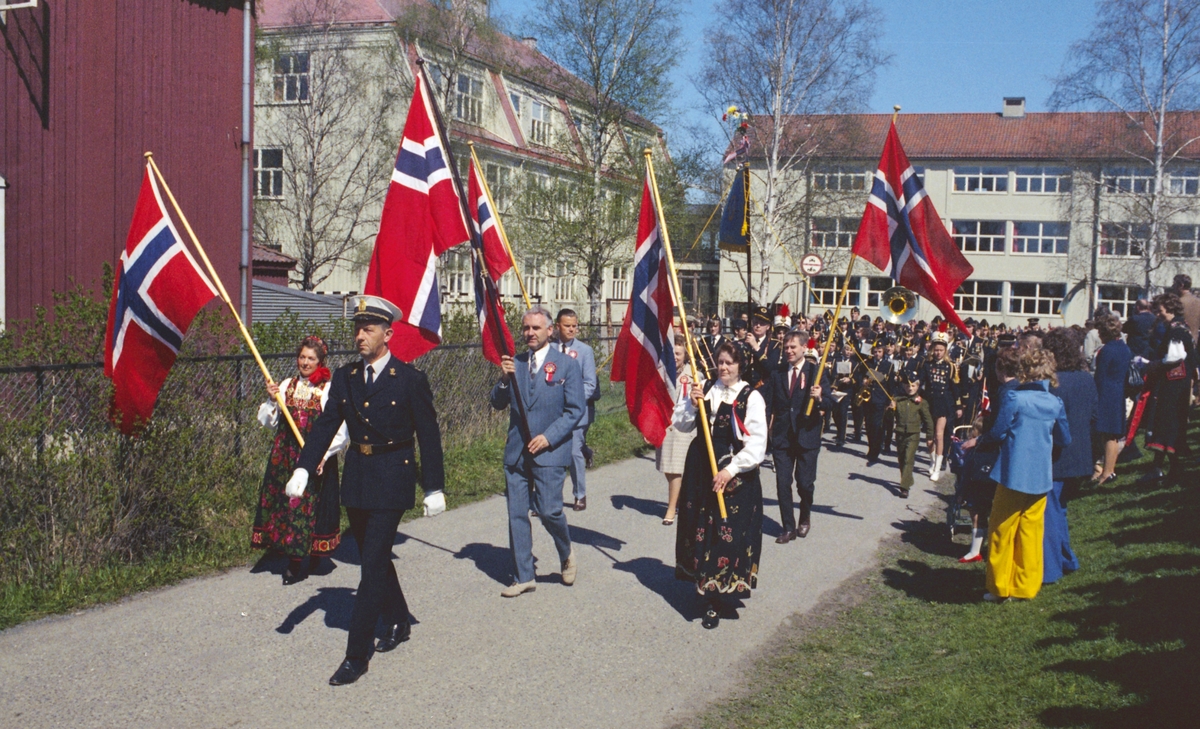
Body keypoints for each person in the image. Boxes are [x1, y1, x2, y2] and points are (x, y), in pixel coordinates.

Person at [285, 295, 446, 686]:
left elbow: (428, 436)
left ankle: (356, 656)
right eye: (357, 329)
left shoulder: (409, 380)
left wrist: (434, 487)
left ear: (387, 335)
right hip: (357, 477)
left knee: (371, 565)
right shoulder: (345, 378)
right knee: (372, 555)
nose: (360, 336)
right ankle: (399, 618)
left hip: (393, 477)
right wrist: (305, 468)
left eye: (368, 329)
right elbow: (325, 427)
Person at [490, 306, 584, 598]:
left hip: (550, 451)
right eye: (526, 328)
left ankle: (565, 550)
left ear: (550, 331)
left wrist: (548, 437)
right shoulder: (515, 363)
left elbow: (575, 411)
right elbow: (497, 403)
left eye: (536, 328)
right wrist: (504, 380)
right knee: (517, 513)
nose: (529, 333)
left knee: (548, 509)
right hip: (517, 451)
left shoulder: (565, 365)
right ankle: (524, 575)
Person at [962, 348, 1070, 602]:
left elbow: (998, 433)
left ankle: (999, 587)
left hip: (1013, 475)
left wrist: (979, 440)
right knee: (1031, 533)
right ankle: (1025, 587)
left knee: (1002, 530)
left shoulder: (1016, 400)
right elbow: (1065, 438)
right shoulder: (1055, 402)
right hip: (1041, 477)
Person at [673, 342, 767, 629]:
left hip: (735, 477)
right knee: (699, 529)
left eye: (729, 363)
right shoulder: (705, 389)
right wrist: (691, 404)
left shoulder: (751, 397)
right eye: (720, 362)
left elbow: (757, 444)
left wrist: (730, 470)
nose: (723, 368)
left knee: (725, 535)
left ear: (740, 366)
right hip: (700, 470)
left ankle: (716, 597)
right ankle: (704, 588)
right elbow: (682, 424)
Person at [253, 336, 348, 586]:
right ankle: (294, 562)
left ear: (320, 361)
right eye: (302, 357)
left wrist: (323, 455)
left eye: (311, 359)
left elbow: (339, 428)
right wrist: (272, 400)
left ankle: (314, 554)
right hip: (285, 456)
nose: (305, 363)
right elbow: (267, 422)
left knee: (312, 506)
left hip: (315, 456)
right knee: (291, 505)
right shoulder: (286, 385)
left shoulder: (328, 389)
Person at [1043, 328, 1098, 584]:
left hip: (1057, 455)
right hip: (1081, 455)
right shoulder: (1086, 379)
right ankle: (1067, 559)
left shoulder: (1052, 383)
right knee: (1060, 509)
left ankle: (1051, 569)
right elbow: (1094, 417)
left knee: (1051, 513)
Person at [764, 333, 831, 541]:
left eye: (793, 347)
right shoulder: (777, 373)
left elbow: (830, 403)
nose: (789, 351)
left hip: (807, 436)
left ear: (804, 348)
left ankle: (805, 516)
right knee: (783, 483)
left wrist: (820, 397)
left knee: (805, 483)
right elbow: (768, 404)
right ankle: (788, 527)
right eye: (786, 348)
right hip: (783, 438)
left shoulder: (816, 373)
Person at [958, 346, 1021, 563]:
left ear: (999, 368)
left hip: (995, 453)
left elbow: (999, 429)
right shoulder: (1017, 388)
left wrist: (977, 440)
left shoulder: (1007, 392)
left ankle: (981, 549)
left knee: (979, 499)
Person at [1142, 292, 1198, 482]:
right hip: (1180, 384)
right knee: (1172, 423)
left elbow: (1175, 356)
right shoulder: (1183, 327)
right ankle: (1168, 468)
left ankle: (1166, 468)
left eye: (1160, 310)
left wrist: (1153, 364)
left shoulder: (1175, 330)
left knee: (1167, 421)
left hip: (1174, 385)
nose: (1158, 314)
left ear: (1170, 308)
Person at [555, 308, 597, 511]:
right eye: (567, 326)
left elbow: (590, 383)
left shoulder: (584, 351)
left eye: (574, 326)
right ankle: (549, 497)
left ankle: (579, 494)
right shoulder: (549, 349)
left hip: (576, 413)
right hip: (553, 413)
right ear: (557, 327)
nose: (571, 330)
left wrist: (574, 401)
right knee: (552, 456)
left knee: (573, 453)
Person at [656, 334, 696, 525]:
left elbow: (689, 406)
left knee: (676, 469)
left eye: (679, 353)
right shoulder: (663, 372)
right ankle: (680, 499)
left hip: (683, 428)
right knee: (668, 469)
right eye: (672, 353)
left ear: (685, 355)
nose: (675, 357)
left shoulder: (693, 375)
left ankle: (671, 508)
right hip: (665, 426)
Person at [1093, 315, 1132, 484]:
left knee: (1107, 434)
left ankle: (1107, 472)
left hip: (1106, 393)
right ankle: (1109, 469)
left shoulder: (1107, 350)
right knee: (1113, 435)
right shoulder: (1124, 348)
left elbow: (1100, 376)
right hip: (1118, 392)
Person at [921, 328, 960, 482]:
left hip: (944, 404)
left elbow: (955, 387)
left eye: (941, 350)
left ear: (945, 350)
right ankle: (932, 461)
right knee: (929, 438)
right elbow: (922, 381)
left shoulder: (950, 366)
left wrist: (958, 406)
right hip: (929, 402)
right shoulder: (927, 364)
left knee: (939, 435)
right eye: (936, 350)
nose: (938, 353)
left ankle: (937, 467)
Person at [888, 373, 934, 499]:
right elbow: (888, 419)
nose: (910, 388)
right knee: (902, 459)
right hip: (900, 433)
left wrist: (930, 436)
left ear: (918, 386)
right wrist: (891, 409)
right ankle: (908, 480)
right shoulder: (898, 400)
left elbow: (928, 420)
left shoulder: (921, 402)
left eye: (913, 385)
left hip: (913, 434)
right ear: (903, 386)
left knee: (909, 459)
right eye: (907, 385)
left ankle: (904, 488)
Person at [856, 343, 891, 464]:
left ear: (883, 352)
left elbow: (890, 384)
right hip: (868, 399)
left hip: (880, 399)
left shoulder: (888, 366)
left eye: (879, 352)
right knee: (869, 426)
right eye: (875, 352)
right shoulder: (868, 364)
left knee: (877, 426)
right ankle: (871, 447)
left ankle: (875, 451)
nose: (877, 354)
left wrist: (890, 399)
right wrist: (863, 381)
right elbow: (860, 375)